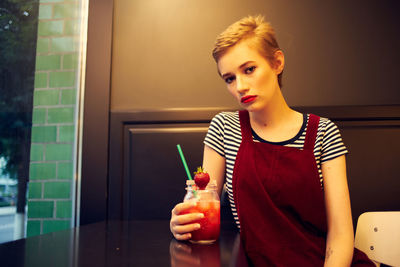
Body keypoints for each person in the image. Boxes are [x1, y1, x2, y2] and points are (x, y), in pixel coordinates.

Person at [170, 15, 374, 266]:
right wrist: (182, 222)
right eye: (229, 78)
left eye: (249, 69)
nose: (240, 87)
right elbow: (203, 203)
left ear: (277, 63)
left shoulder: (323, 132)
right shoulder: (224, 128)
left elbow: (341, 236)